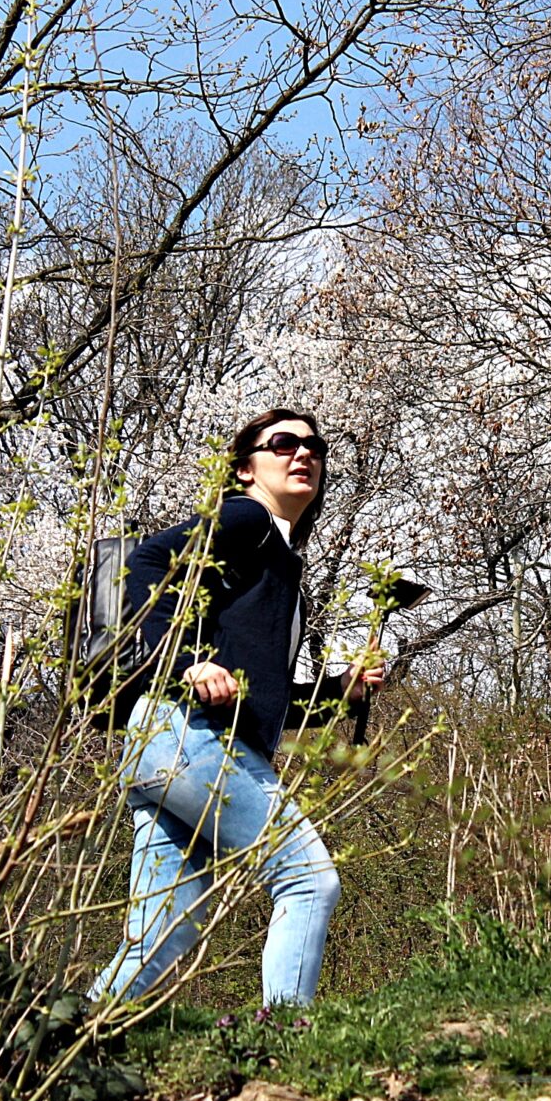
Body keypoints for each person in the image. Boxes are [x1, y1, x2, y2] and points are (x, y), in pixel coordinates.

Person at [88, 407, 387, 1009]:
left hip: (164, 746)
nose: (303, 453)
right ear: (246, 469)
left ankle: (64, 1039)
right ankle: (288, 1042)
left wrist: (338, 693)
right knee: (307, 880)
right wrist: (185, 662)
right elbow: (142, 563)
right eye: (283, 443)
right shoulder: (249, 519)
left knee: (162, 935)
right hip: (191, 739)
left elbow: (253, 694)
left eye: (315, 445)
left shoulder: (275, 559)